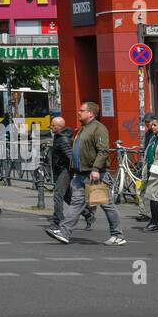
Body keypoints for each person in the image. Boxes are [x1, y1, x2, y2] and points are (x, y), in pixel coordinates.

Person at [45, 101, 126, 246]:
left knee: (107, 205)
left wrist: (95, 169)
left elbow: (103, 151)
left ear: (90, 113)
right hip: (82, 175)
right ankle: (64, 232)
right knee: (76, 203)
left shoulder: (98, 129)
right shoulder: (84, 128)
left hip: (94, 175)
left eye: (81, 110)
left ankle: (117, 235)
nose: (78, 112)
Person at [48, 115, 96, 229]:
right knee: (67, 196)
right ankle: (87, 214)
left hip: (64, 170)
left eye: (52, 125)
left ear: (58, 127)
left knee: (58, 195)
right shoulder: (59, 136)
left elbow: (70, 156)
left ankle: (57, 221)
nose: (50, 127)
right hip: (60, 170)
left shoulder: (63, 139)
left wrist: (79, 170)